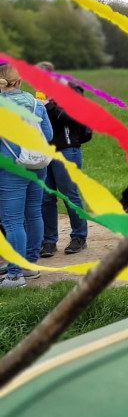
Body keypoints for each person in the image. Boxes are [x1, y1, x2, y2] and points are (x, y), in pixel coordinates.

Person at [0, 63, 53, 288]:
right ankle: (29, 265)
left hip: (11, 168)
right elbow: (48, 134)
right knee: (33, 214)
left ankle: (14, 275)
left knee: (12, 222)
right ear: (20, 81)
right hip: (37, 164)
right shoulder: (34, 102)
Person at [40, 75, 92, 257]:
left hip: (67, 151)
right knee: (46, 198)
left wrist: (48, 105)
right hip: (45, 153)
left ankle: (79, 237)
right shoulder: (41, 96)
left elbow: (70, 116)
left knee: (70, 195)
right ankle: (48, 241)